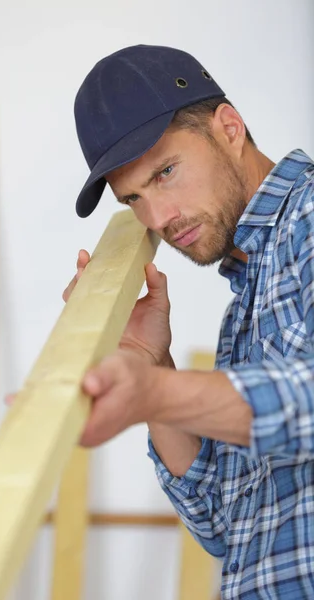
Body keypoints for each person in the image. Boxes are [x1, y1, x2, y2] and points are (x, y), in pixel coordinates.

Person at [59, 44, 314, 598]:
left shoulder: (310, 219)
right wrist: (152, 366)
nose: (159, 219)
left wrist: (160, 392)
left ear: (228, 127)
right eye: (133, 200)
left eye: (166, 172)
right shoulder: (246, 301)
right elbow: (224, 527)